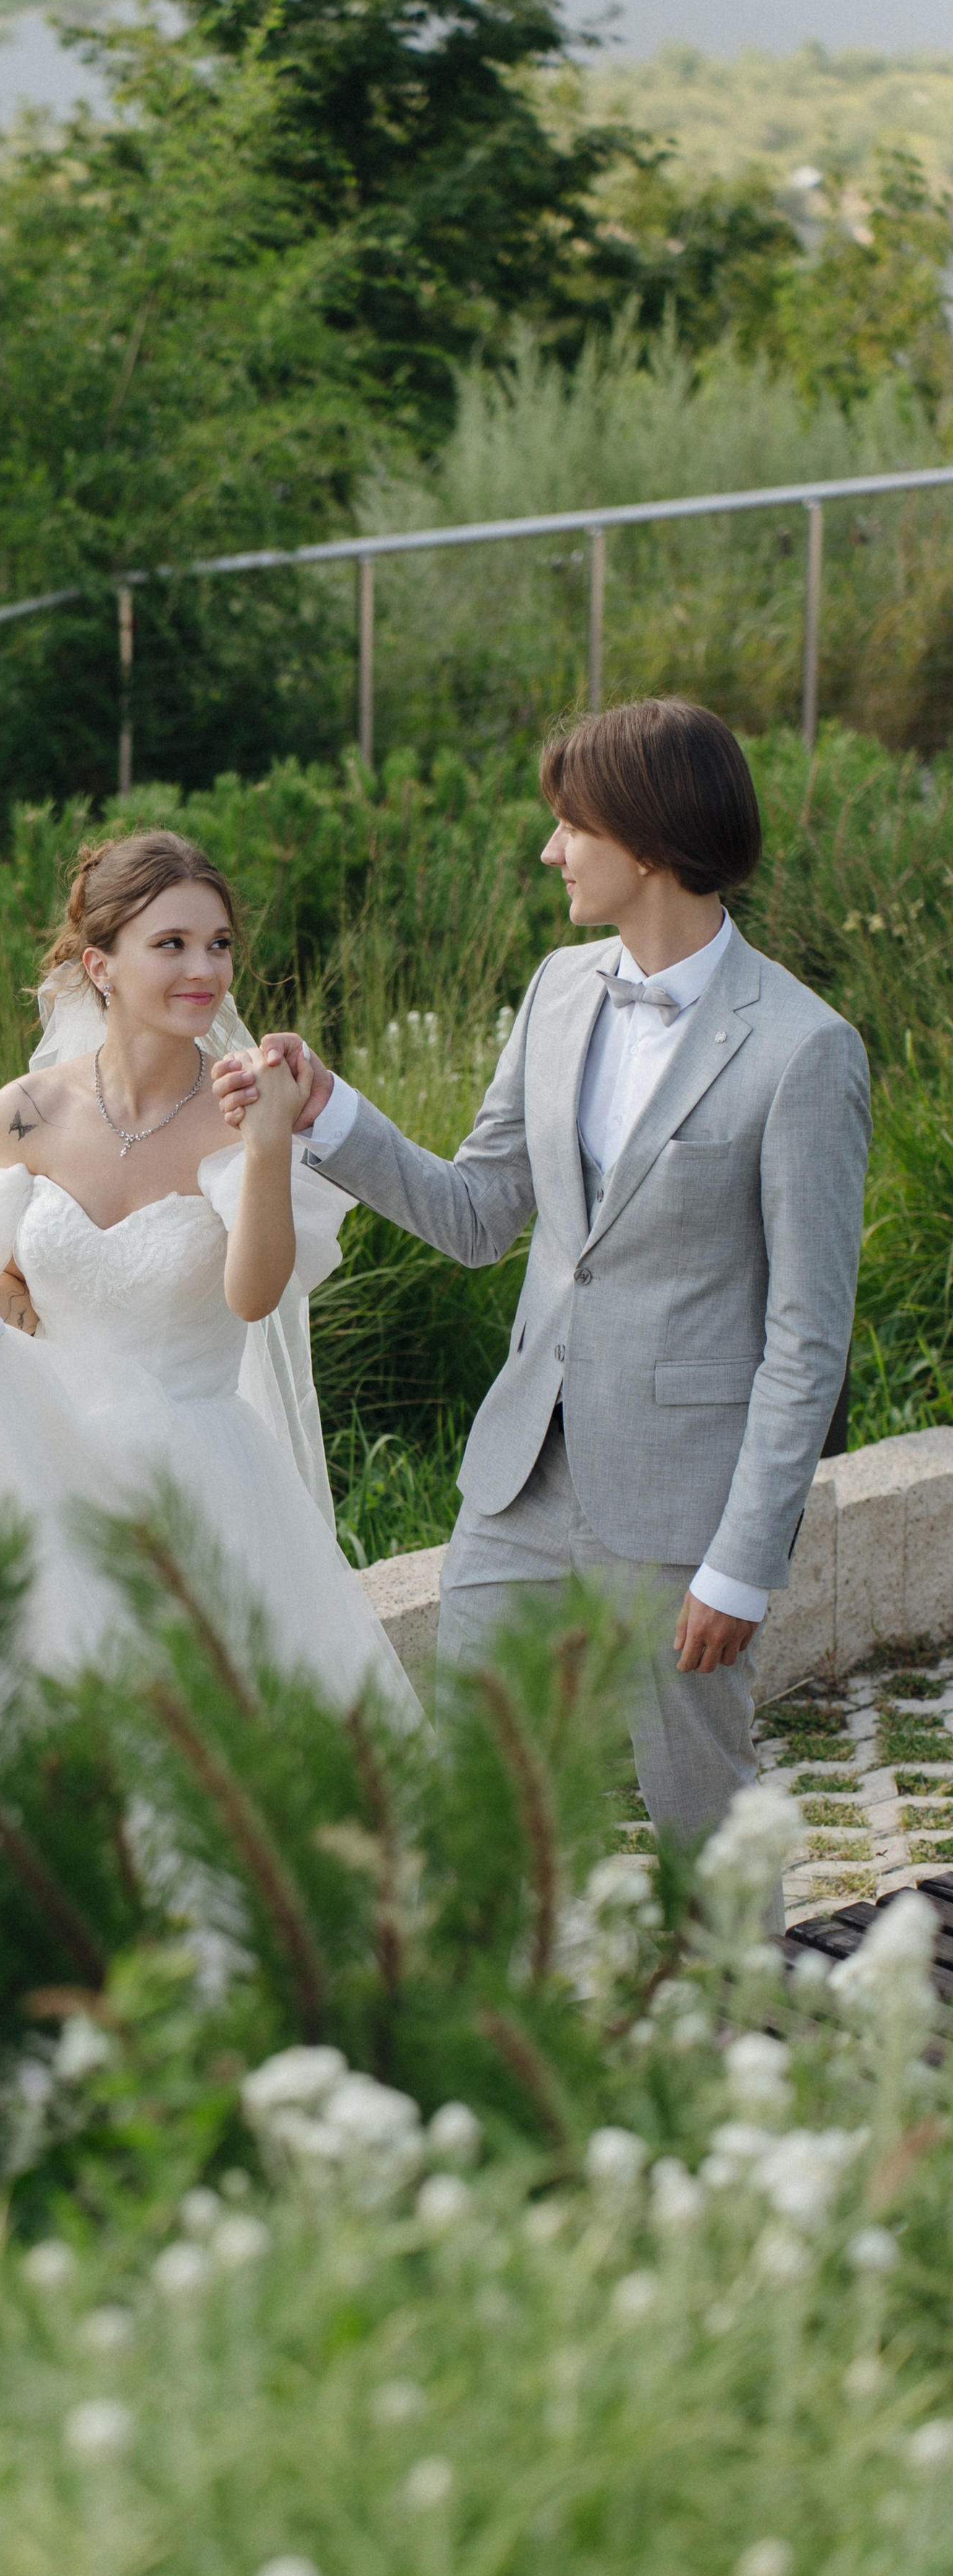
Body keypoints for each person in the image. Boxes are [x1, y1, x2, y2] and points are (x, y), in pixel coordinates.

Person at [215, 698, 871, 1897]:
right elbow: (478, 1213)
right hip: (518, 1479)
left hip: (683, 1510)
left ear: (648, 836)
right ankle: (502, 2039)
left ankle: (753, 2040)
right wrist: (327, 1111)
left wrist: (742, 1565)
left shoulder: (803, 1049)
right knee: (476, 1783)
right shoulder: (561, 990)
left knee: (701, 1821)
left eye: (570, 824)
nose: (549, 850)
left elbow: (805, 1339)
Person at [0, 830, 420, 1726]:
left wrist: (268, 1142)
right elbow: (22, 1279)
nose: (206, 970)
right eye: (171, 944)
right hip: (49, 1452)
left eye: (219, 945)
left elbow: (255, 1298)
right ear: (100, 966)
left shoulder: (245, 1115)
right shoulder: (26, 1113)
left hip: (189, 1472)